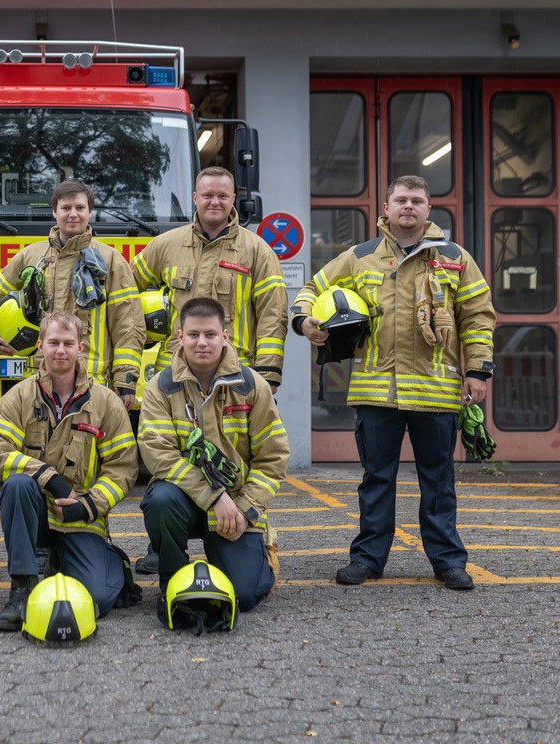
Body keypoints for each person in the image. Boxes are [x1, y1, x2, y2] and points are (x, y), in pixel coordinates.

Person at [291, 175, 495, 591]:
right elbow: (310, 289)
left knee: (438, 481)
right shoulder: (359, 256)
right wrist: (305, 321)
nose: (408, 206)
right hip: (375, 391)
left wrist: (478, 370)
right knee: (376, 480)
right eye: (400, 200)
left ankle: (448, 561)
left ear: (428, 210)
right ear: (385, 208)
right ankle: (367, 559)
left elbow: (478, 316)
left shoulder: (455, 258)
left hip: (436, 391)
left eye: (416, 200)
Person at [129, 165, 288, 575]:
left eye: (223, 195)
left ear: (234, 199)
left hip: (235, 380)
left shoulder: (256, 250)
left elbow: (273, 312)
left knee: (236, 456)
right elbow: (127, 293)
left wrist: (267, 374)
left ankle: (247, 523)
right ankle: (163, 545)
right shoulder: (166, 245)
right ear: (195, 198)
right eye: (207, 195)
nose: (215, 202)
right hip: (174, 379)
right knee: (172, 461)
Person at [0, 311, 139, 631]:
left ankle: (109, 564)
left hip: (80, 514)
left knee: (96, 602)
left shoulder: (106, 403)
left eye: (68, 343)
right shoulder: (20, 396)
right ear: (40, 346)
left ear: (81, 347)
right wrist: (49, 478)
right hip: (36, 513)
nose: (60, 350)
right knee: (17, 486)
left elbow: (122, 468)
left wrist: (88, 504)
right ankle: (22, 589)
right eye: (53, 342)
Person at [138, 297, 289, 618]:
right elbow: (159, 455)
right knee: (160, 497)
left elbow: (273, 458)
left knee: (244, 596)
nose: (201, 342)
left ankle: (262, 550)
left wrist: (247, 510)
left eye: (210, 334)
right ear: (179, 337)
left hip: (236, 508)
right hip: (186, 501)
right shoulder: (161, 387)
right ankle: (171, 580)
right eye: (193, 335)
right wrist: (213, 496)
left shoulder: (251, 386)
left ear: (226, 336)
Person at [0, 178, 145, 411]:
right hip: (37, 379)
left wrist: (125, 380)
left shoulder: (111, 260)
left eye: (80, 208)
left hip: (92, 383)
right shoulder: (31, 257)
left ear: (90, 212)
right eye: (66, 208)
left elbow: (128, 323)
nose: (73, 214)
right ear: (55, 212)